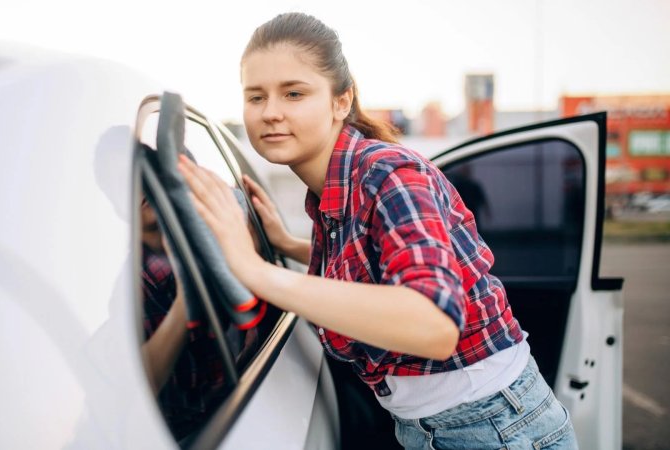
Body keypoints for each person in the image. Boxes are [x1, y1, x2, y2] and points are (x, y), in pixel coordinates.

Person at [178, 12, 578, 449]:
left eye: (293, 93)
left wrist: (255, 271)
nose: (271, 112)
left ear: (340, 101)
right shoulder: (333, 190)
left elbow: (435, 325)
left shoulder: (386, 175)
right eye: (256, 97)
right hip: (435, 425)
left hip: (495, 428)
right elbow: (371, 263)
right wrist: (287, 245)